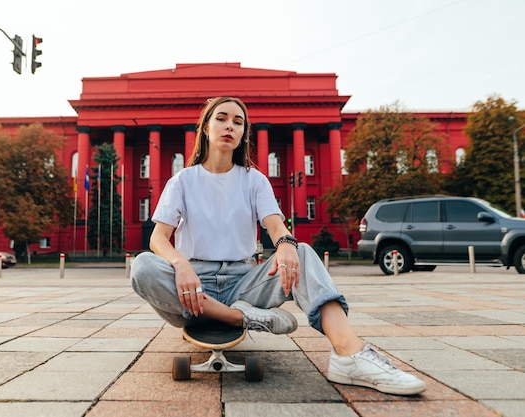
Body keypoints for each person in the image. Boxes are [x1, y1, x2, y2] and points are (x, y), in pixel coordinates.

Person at [130, 96, 426, 396]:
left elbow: (274, 226)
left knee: (303, 253)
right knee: (142, 266)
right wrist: (180, 264)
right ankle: (239, 317)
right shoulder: (182, 181)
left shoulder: (254, 180)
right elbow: (157, 238)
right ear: (205, 127)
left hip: (243, 284)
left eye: (238, 121)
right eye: (221, 118)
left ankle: (349, 354)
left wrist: (285, 243)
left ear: (244, 133)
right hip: (191, 289)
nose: (229, 126)